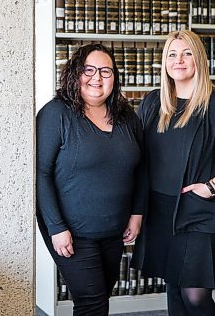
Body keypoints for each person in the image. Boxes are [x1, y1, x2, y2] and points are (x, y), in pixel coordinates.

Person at [131, 30, 215, 316]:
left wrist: (213, 186)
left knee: (195, 296)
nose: (179, 60)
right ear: (165, 62)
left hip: (198, 211)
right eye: (172, 54)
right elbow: (138, 158)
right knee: (174, 290)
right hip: (160, 212)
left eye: (187, 53)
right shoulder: (153, 103)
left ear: (198, 59)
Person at [36, 43, 144, 316]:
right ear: (75, 74)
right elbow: (41, 173)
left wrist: (137, 212)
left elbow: (142, 169)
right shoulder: (55, 113)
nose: (97, 78)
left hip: (114, 228)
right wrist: (56, 227)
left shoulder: (127, 116)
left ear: (114, 78)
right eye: (89, 70)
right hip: (71, 230)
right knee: (93, 304)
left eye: (106, 71)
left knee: (100, 297)